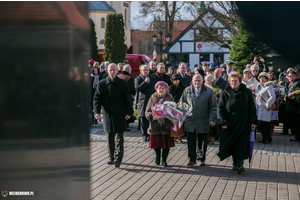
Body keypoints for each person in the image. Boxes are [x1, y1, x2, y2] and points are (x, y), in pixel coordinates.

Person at [93, 63, 133, 168]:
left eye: (114, 70)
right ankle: (111, 157)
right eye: (110, 70)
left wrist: (129, 112)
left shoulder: (123, 83)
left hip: (120, 114)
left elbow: (127, 99)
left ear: (117, 71)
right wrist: (96, 112)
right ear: (107, 70)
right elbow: (97, 99)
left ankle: (118, 158)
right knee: (110, 137)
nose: (112, 72)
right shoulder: (102, 84)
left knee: (119, 138)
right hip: (107, 115)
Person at [217, 72, 258, 174]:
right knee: (232, 143)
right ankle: (235, 162)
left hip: (243, 123)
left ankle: (239, 163)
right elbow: (220, 108)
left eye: (236, 81)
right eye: (231, 81)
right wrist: (222, 121)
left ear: (240, 82)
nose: (233, 83)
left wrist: (253, 120)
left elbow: (252, 107)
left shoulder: (246, 92)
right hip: (230, 123)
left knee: (241, 143)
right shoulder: (224, 93)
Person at [179, 74, 217, 167]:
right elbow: (182, 103)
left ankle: (201, 159)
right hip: (190, 120)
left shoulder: (208, 91)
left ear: (202, 81)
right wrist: (183, 114)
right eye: (195, 80)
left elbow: (213, 106)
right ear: (192, 81)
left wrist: (212, 119)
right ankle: (192, 159)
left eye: (199, 80)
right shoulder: (187, 90)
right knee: (191, 141)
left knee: (202, 141)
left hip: (203, 119)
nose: (197, 82)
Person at [145, 81, 175, 167]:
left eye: (163, 88)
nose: (161, 90)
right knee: (156, 143)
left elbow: (174, 110)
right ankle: (157, 156)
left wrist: (167, 114)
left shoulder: (170, 98)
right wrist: (151, 116)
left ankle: (164, 160)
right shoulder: (152, 98)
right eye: (159, 88)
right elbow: (147, 111)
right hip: (155, 125)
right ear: (156, 89)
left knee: (166, 144)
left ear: (166, 89)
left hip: (166, 125)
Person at [135, 65, 156, 142]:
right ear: (141, 71)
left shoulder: (153, 78)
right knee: (143, 118)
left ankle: (150, 134)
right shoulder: (138, 79)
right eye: (144, 70)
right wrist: (145, 82)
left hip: (151, 101)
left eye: (147, 70)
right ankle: (144, 135)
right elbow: (137, 89)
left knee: (150, 117)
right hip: (143, 101)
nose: (146, 71)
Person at [255, 72, 276, 144]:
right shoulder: (259, 87)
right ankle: (263, 138)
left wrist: (268, 103)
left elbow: (273, 96)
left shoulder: (269, 86)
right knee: (261, 125)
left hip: (265, 108)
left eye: (263, 77)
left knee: (266, 125)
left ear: (266, 78)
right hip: (259, 108)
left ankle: (268, 138)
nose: (262, 79)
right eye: (260, 77)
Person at [118, 64, 136, 131]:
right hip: (127, 97)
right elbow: (132, 89)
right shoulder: (129, 77)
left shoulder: (118, 76)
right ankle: (126, 125)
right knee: (127, 112)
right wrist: (133, 93)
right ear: (129, 70)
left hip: (119, 98)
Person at [168, 74, 185, 143]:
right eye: (174, 80)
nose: (176, 82)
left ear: (179, 80)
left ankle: (179, 136)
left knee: (180, 122)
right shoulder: (170, 88)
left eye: (177, 80)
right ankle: (174, 136)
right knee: (173, 122)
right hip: (173, 106)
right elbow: (169, 97)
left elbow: (184, 96)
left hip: (181, 106)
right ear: (172, 81)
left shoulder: (183, 87)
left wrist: (181, 103)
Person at [204, 74, 220, 145]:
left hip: (213, 107)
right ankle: (206, 138)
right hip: (205, 108)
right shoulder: (203, 87)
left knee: (213, 124)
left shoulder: (216, 88)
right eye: (206, 80)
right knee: (206, 124)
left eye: (208, 80)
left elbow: (219, 97)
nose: (207, 81)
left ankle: (212, 139)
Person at [285, 71, 300, 142]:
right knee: (295, 122)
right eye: (288, 76)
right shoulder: (292, 83)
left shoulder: (298, 83)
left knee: (297, 123)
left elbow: (295, 93)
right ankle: (297, 136)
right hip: (292, 106)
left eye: (290, 76)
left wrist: (288, 96)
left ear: (295, 76)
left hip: (296, 106)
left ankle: (298, 137)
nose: (289, 77)